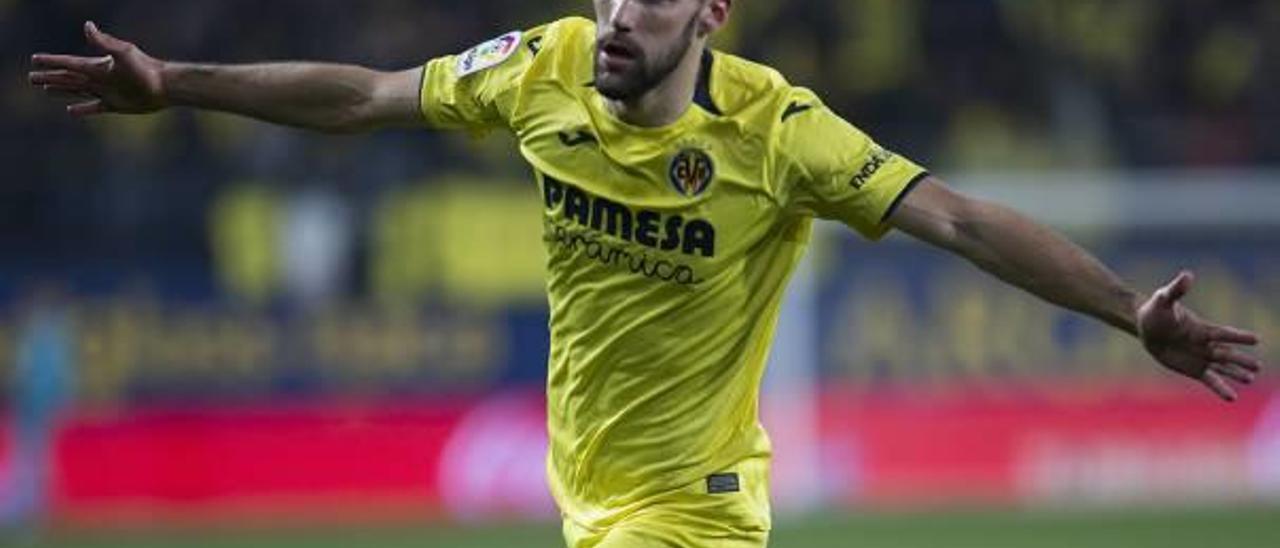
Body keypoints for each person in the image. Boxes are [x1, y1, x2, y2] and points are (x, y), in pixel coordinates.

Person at [29, 1, 1264, 546]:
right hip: (586, 492)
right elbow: (361, 97)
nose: (620, 13)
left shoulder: (780, 134)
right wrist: (174, 84)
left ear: (710, 15)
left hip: (693, 512)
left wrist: (1121, 312)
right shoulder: (544, 67)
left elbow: (956, 217)